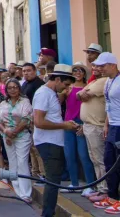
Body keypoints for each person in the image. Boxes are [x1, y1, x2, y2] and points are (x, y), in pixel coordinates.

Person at [33, 64, 80, 217]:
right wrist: (64, 125)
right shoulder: (43, 94)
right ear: (57, 79)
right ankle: (47, 214)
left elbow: (51, 113)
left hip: (53, 142)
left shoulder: (50, 93)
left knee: (54, 181)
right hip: (48, 142)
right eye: (65, 84)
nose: (67, 88)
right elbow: (39, 122)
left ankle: (49, 213)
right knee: (53, 182)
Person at [57, 63, 95, 196]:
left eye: (80, 70)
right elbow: (58, 101)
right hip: (68, 123)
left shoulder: (88, 87)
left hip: (82, 123)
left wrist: (85, 124)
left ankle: (91, 185)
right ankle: (74, 183)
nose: (78, 72)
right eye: (75, 70)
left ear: (84, 73)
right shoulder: (68, 88)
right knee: (69, 155)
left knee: (84, 155)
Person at [0, 78, 33, 203]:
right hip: (7, 136)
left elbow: (26, 119)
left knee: (22, 162)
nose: (13, 90)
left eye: (15, 87)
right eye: (10, 88)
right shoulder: (3, 103)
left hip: (22, 135)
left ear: (19, 88)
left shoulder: (25, 101)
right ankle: (17, 191)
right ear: (6, 90)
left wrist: (14, 132)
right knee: (12, 163)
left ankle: (26, 193)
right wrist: (7, 132)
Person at [91, 53, 120, 212]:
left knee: (118, 164)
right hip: (113, 127)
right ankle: (113, 196)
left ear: (113, 65)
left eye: (103, 66)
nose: (99, 68)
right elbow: (109, 105)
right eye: (99, 66)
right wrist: (106, 125)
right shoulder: (109, 81)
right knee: (109, 162)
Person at [78, 61, 109, 200]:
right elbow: (79, 94)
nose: (95, 68)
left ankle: (105, 190)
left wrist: (81, 93)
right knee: (95, 159)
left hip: (97, 125)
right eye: (94, 66)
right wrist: (81, 93)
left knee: (100, 159)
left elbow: (83, 95)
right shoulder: (93, 81)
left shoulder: (103, 81)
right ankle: (100, 187)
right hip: (89, 125)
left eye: (99, 66)